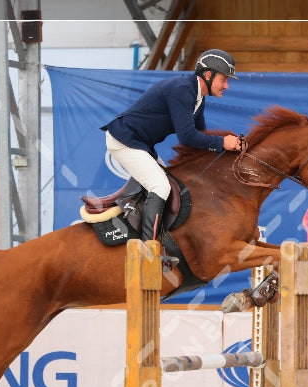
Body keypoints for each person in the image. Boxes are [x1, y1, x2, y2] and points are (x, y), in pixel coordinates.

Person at [102, 49, 242, 247]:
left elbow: (201, 135)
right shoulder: (183, 89)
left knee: (169, 183)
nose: (226, 86)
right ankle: (148, 250)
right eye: (224, 79)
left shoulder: (197, 96)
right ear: (208, 75)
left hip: (140, 144)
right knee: (160, 186)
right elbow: (187, 137)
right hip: (124, 140)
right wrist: (221, 143)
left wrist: (230, 147)